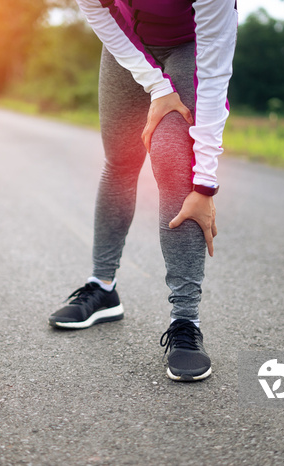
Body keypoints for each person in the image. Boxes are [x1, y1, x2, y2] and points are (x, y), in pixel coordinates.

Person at [48, 0, 238, 382]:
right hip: (126, 42)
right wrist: (154, 84)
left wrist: (205, 184)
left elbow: (214, 75)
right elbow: (100, 11)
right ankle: (103, 289)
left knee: (172, 159)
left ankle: (186, 322)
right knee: (119, 158)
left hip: (190, 45)